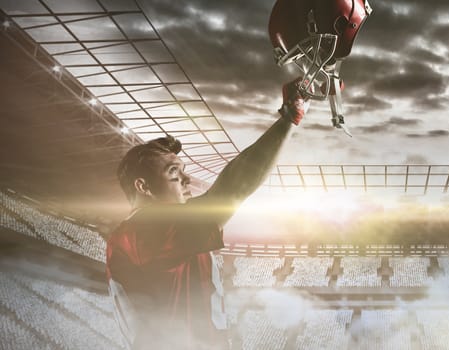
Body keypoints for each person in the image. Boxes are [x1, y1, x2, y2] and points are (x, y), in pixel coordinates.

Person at [106, 78, 309, 349]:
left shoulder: (164, 234)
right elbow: (232, 189)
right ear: (143, 187)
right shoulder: (141, 230)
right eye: (174, 173)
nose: (187, 180)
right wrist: (289, 118)